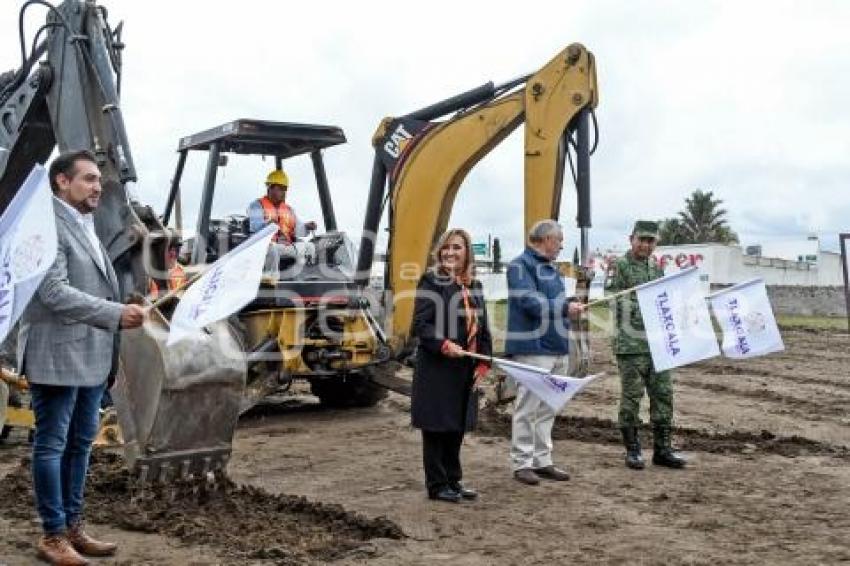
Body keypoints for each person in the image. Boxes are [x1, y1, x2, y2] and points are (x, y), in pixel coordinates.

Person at [17, 150, 146, 565]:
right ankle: (52, 535)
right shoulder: (45, 225)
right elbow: (52, 292)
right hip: (55, 352)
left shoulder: (85, 224)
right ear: (61, 181)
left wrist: (123, 304)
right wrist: (115, 314)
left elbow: (95, 286)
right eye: (89, 179)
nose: (97, 187)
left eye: (98, 181)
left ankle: (73, 526)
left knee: (80, 446)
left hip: (90, 353)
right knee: (52, 445)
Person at [411, 229, 492, 503]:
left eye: (456, 248)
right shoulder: (431, 281)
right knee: (436, 426)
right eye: (446, 248)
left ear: (467, 252)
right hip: (437, 366)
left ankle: (454, 480)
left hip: (465, 367)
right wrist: (444, 344)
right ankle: (437, 485)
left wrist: (483, 362)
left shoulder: (475, 286)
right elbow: (421, 324)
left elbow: (482, 328)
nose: (450, 253)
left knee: (456, 425)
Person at [505, 220, 584, 486]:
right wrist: (564, 309)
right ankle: (522, 463)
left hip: (556, 344)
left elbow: (555, 303)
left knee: (549, 405)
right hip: (533, 346)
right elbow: (528, 300)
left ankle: (542, 460)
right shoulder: (520, 266)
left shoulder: (552, 270)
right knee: (528, 407)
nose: (562, 245)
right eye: (559, 240)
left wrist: (570, 304)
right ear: (545, 239)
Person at [605, 220, 686, 470]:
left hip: (658, 345)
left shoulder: (655, 266)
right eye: (642, 239)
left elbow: (663, 298)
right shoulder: (619, 265)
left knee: (663, 395)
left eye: (651, 241)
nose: (646, 245)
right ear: (632, 239)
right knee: (632, 398)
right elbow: (614, 300)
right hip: (631, 346)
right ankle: (633, 450)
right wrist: (647, 308)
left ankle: (662, 450)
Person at [247, 169, 317, 279]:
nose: (284, 192)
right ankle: (270, 280)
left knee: (310, 247)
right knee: (272, 249)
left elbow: (299, 230)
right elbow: (255, 227)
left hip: (287, 246)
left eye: (285, 189)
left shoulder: (289, 209)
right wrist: (268, 224)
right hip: (266, 246)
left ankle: (305, 278)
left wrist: (306, 227)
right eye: (281, 189)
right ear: (270, 188)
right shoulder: (256, 205)